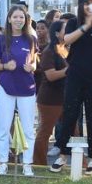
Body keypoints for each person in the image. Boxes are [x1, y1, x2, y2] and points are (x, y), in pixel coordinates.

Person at [50, 0, 92, 174]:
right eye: (86, 3)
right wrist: (86, 25)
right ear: (80, 5)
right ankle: (63, 155)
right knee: (70, 116)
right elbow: (67, 39)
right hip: (75, 77)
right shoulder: (73, 22)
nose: (89, 6)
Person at [0, 5, 37, 175]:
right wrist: (6, 66)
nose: (19, 20)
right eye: (15, 17)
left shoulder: (31, 39)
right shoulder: (1, 39)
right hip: (6, 87)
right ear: (9, 19)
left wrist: (31, 67)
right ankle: (3, 162)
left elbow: (34, 62)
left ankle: (27, 164)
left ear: (26, 20)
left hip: (27, 88)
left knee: (28, 129)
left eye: (22, 17)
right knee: (3, 127)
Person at [34, 20, 69, 166]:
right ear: (57, 33)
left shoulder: (65, 48)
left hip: (65, 97)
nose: (68, 31)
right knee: (45, 132)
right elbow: (50, 75)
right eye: (65, 29)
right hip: (50, 99)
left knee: (73, 131)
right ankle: (38, 163)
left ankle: (82, 162)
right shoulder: (49, 51)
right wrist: (69, 70)